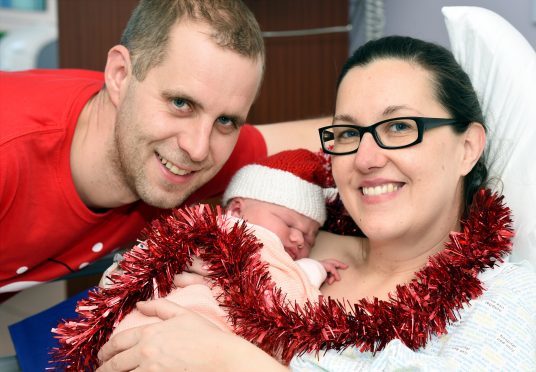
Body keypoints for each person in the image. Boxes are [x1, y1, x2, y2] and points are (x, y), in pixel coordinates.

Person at [96, 35, 536, 371]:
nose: (366, 158)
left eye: (399, 127)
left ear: (468, 147)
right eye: (347, 134)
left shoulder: (507, 302)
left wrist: (234, 362)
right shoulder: (281, 238)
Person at [0, 0, 324, 299]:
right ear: (120, 75)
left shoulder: (190, 148)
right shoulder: (10, 152)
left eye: (226, 120)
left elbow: (331, 135)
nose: (197, 150)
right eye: (181, 103)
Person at [52, 148, 347, 369]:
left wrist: (311, 269)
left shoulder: (281, 261)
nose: (299, 239)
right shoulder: (220, 231)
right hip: (153, 323)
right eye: (291, 225)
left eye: (309, 238)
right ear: (237, 210)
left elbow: (285, 296)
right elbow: (148, 256)